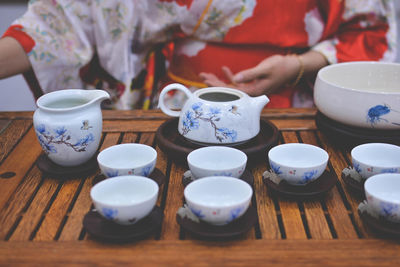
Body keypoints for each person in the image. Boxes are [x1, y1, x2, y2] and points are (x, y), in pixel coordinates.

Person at [0, 0, 397, 109]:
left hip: (293, 108)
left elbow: (370, 29)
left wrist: (296, 67)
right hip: (179, 106)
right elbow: (73, 22)